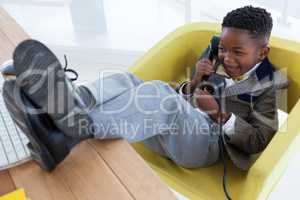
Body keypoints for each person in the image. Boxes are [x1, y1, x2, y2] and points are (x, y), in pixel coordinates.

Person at [2, 6, 281, 172]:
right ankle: (74, 103)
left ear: (262, 52)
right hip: (175, 128)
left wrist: (220, 115)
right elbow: (189, 95)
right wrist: (195, 79)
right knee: (129, 80)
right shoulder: (219, 55)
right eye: (223, 48)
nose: (227, 58)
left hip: (206, 148)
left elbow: (259, 140)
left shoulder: (271, 83)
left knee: (160, 95)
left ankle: (67, 129)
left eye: (238, 52)